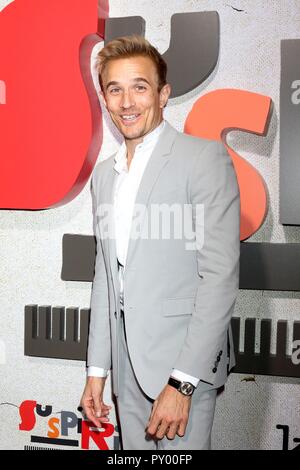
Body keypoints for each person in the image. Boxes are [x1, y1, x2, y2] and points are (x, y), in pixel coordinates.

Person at [80, 35, 240, 450]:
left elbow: (219, 277)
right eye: (115, 89)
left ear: (163, 94)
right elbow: (106, 279)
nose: (127, 101)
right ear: (104, 98)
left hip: (182, 365)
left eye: (140, 87)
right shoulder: (104, 176)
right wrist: (97, 371)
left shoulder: (202, 159)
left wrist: (182, 383)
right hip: (125, 367)